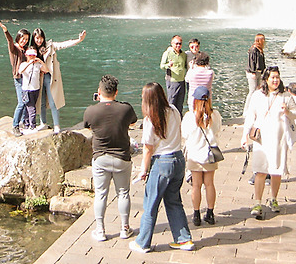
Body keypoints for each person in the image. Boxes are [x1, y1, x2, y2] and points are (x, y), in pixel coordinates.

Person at [129, 82, 194, 253]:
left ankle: (143, 242)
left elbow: (148, 148)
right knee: (174, 201)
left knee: (151, 203)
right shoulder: (173, 110)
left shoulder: (150, 119)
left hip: (162, 162)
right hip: (178, 160)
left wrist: (143, 170)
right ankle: (184, 239)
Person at [83, 75, 138, 242]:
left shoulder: (91, 110)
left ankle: (100, 230)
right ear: (116, 92)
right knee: (123, 193)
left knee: (100, 194)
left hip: (100, 157)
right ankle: (124, 228)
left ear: (99, 92)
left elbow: (87, 125)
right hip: (122, 157)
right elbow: (133, 122)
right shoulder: (125, 109)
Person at [241, 66, 296, 220]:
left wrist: (287, 111)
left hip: (279, 138)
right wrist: (244, 136)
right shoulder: (257, 96)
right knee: (260, 170)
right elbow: (250, 116)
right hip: (261, 138)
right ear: (266, 79)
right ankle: (258, 202)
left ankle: (274, 199)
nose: (275, 80)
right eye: (272, 77)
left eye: (277, 77)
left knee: (276, 170)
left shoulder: (285, 96)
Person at [31, 27, 87, 133]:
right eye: (37, 38)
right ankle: (43, 123)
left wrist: (79, 40)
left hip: (50, 76)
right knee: (41, 101)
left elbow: (63, 44)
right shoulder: (31, 50)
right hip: (38, 78)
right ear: (34, 38)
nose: (39, 40)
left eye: (41, 38)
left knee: (53, 101)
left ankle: (56, 125)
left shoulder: (50, 46)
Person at [181, 86, 222, 227]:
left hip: (194, 155)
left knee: (196, 185)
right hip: (210, 154)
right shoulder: (215, 115)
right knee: (210, 184)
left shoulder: (189, 117)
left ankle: (196, 214)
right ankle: (210, 213)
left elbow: (184, 134)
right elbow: (218, 130)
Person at [0, 20, 31, 137]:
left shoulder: (26, 49)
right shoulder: (14, 48)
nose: (24, 41)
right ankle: (15, 126)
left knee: (26, 101)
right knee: (21, 102)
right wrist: (6, 31)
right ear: (18, 37)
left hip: (26, 78)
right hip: (18, 78)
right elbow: (9, 40)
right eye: (23, 38)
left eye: (26, 39)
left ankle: (23, 122)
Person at [18, 48, 48, 132]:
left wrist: (40, 61)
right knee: (31, 108)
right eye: (30, 55)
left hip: (36, 89)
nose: (32, 57)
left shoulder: (38, 65)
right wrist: (29, 64)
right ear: (26, 55)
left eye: (33, 55)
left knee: (30, 107)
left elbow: (46, 70)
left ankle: (27, 124)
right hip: (27, 90)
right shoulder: (23, 64)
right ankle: (32, 125)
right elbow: (20, 71)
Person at [160, 35, 188, 116]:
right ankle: (170, 119)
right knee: (171, 102)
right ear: (172, 44)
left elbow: (185, 66)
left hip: (182, 81)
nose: (178, 45)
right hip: (172, 81)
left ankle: (179, 119)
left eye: (180, 43)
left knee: (180, 102)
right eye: (176, 43)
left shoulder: (183, 54)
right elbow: (162, 66)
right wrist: (168, 65)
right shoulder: (167, 53)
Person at [244, 34, 267, 116]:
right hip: (252, 73)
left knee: (258, 90)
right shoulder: (254, 49)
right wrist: (253, 72)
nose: (264, 41)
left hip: (259, 72)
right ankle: (246, 110)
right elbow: (251, 61)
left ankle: (255, 108)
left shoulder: (259, 49)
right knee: (252, 91)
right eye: (263, 39)